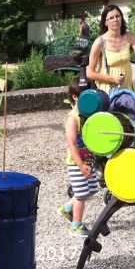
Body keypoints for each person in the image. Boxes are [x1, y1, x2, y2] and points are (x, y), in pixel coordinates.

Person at [86, 4, 135, 94]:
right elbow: (90, 73)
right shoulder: (99, 42)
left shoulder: (130, 37)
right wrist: (113, 79)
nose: (115, 20)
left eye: (117, 16)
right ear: (106, 22)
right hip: (108, 89)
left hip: (127, 87)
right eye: (111, 18)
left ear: (122, 18)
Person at [58, 78, 99, 237]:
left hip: (89, 159)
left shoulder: (88, 115)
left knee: (93, 189)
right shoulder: (72, 118)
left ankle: (67, 208)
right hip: (77, 163)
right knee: (81, 196)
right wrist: (81, 165)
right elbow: (72, 144)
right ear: (75, 97)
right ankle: (76, 225)